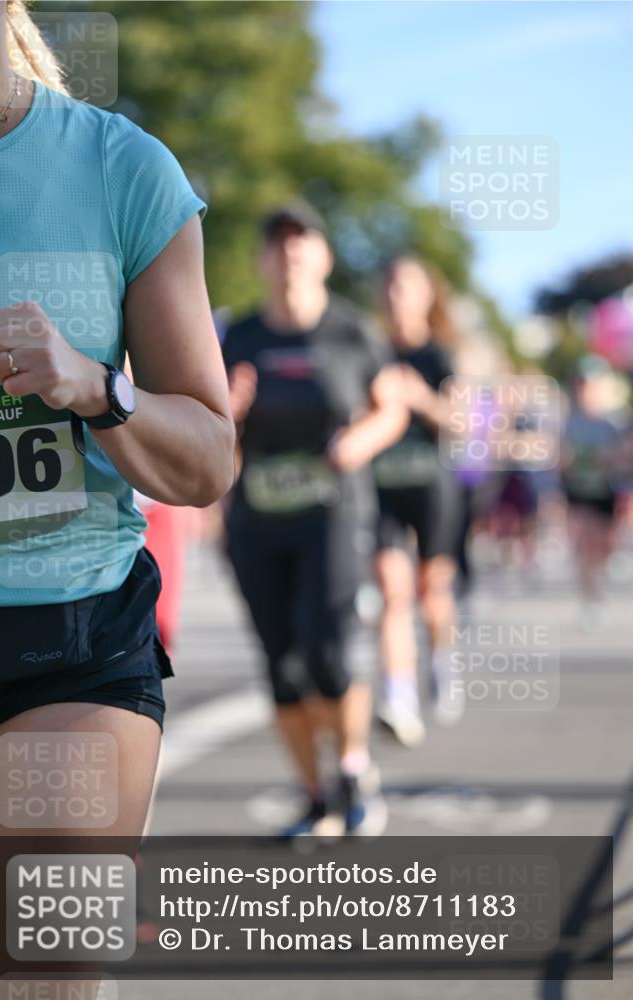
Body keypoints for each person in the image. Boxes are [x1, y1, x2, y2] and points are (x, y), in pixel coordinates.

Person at [0, 3, 234, 995]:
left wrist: (98, 388)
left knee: (34, 965)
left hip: (66, 646)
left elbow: (207, 459)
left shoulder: (121, 170)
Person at [221, 201, 408, 837]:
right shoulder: (238, 336)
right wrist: (228, 413)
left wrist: (361, 441)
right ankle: (313, 795)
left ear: (324, 257)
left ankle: (353, 770)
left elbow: (392, 409)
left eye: (303, 240)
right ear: (261, 260)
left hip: (333, 513)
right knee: (281, 666)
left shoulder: (351, 331)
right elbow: (210, 433)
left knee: (328, 655)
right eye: (277, 243)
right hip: (256, 519)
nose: (290, 252)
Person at [372, 256, 465, 746]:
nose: (395, 293)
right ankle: (399, 697)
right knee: (392, 589)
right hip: (382, 486)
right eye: (389, 284)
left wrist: (419, 397)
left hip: (433, 487)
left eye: (407, 285)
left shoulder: (441, 354)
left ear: (427, 296)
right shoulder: (370, 350)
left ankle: (441, 659)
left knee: (433, 593)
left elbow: (462, 421)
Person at [561, 355, 624, 630]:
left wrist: (611, 456)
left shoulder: (613, 423)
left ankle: (599, 579)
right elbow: (558, 456)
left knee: (605, 546)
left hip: (606, 491)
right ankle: (591, 601)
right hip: (577, 492)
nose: (586, 389)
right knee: (583, 545)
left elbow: (625, 455)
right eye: (582, 383)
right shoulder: (569, 422)